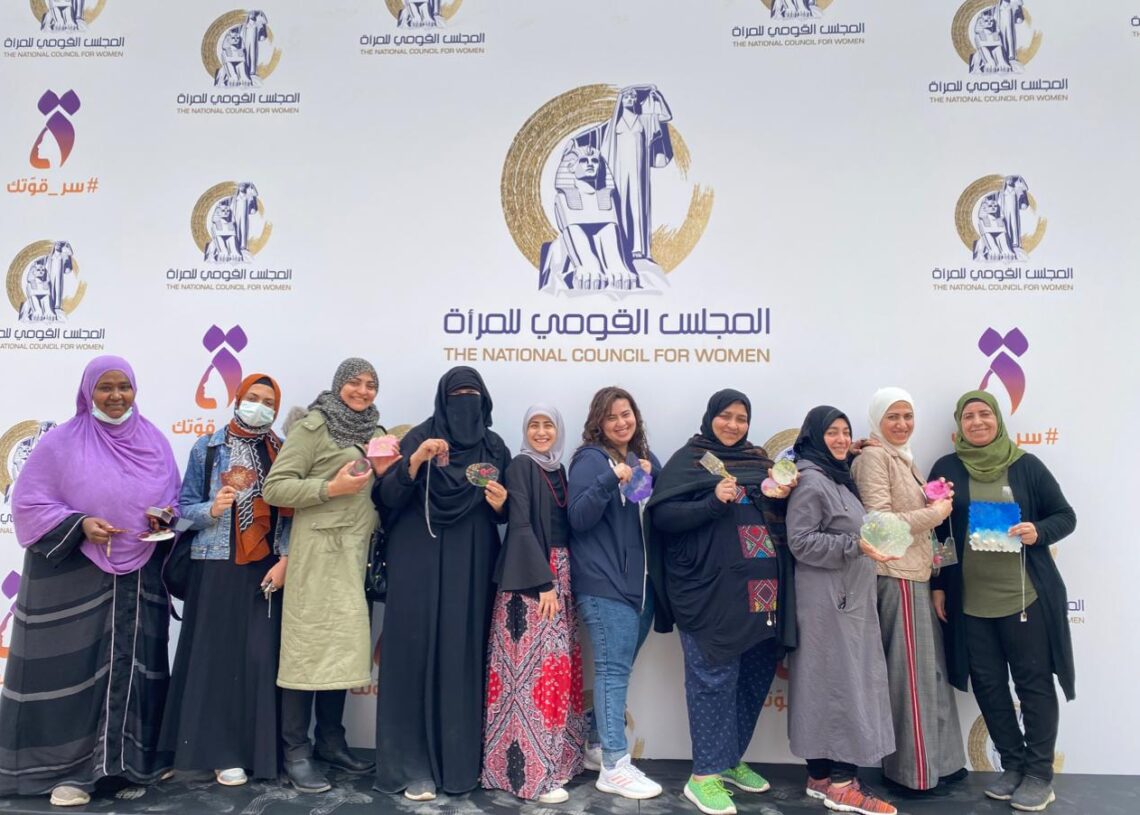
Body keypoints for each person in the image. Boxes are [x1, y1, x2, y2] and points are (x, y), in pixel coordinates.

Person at [0, 356, 181, 807]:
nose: (116, 396)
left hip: (139, 576)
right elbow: (28, 504)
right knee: (73, 672)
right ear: (88, 392)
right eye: (106, 387)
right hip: (76, 575)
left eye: (124, 386)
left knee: (133, 668)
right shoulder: (60, 443)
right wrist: (80, 524)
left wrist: (165, 518)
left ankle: (129, 765)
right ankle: (68, 773)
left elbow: (173, 500)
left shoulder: (154, 441)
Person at [648, 390, 796, 815]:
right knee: (713, 678)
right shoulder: (689, 461)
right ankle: (703, 777)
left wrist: (783, 492)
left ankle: (728, 759)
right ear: (710, 416)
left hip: (763, 596)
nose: (733, 425)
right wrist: (712, 502)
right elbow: (663, 518)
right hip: (711, 594)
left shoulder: (758, 461)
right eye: (725, 416)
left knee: (754, 676)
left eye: (741, 418)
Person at [929, 391, 1075, 812]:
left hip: (1024, 598)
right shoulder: (946, 468)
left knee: (1033, 685)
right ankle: (1012, 766)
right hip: (970, 604)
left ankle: (1039, 775)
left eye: (984, 414)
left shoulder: (1026, 466)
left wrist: (1038, 531)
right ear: (959, 425)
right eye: (969, 416)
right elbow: (939, 534)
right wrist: (940, 584)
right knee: (990, 687)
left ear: (997, 419)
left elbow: (1065, 516)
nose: (977, 422)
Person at [374, 367, 510, 801]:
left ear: (484, 401)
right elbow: (386, 499)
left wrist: (502, 505)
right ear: (442, 399)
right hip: (418, 554)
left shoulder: (495, 447)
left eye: (472, 394)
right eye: (457, 394)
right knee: (413, 652)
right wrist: (414, 461)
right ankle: (411, 766)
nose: (465, 402)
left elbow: (508, 512)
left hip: (472, 559)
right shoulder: (420, 437)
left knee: (461, 652)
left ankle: (460, 765)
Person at [262, 358, 395, 793]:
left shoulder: (376, 433)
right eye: (354, 382)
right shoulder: (313, 427)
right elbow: (275, 487)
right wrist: (329, 489)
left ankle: (331, 742)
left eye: (371, 384)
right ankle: (296, 752)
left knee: (342, 652)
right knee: (306, 653)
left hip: (356, 558)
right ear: (338, 385)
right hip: (317, 558)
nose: (362, 391)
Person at [159, 374, 292, 786]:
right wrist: (212, 510)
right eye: (253, 397)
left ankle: (254, 752)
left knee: (258, 658)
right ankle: (216, 752)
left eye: (269, 402)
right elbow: (182, 511)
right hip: (215, 564)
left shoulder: (282, 451)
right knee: (214, 656)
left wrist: (286, 559)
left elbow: (292, 513)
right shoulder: (209, 447)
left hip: (263, 567)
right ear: (237, 399)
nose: (260, 406)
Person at [850, 388, 966, 796]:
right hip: (894, 574)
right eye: (892, 417)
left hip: (916, 575)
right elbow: (878, 522)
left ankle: (942, 762)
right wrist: (934, 512)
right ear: (877, 420)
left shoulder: (903, 458)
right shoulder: (874, 457)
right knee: (909, 679)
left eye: (907, 416)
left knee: (928, 675)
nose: (902, 424)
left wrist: (934, 499)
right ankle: (912, 773)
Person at [785, 406, 898, 815]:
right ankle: (842, 785)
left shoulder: (833, 475)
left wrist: (852, 451)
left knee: (825, 683)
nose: (839, 439)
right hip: (831, 602)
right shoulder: (813, 481)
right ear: (813, 436)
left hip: (842, 599)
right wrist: (855, 546)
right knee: (844, 686)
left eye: (844, 431)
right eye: (831, 432)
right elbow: (801, 542)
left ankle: (820, 777)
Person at [481, 405, 585, 804]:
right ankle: (529, 775)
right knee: (529, 680)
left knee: (556, 672)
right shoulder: (521, 465)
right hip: (530, 582)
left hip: (560, 574)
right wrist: (544, 583)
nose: (541, 432)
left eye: (548, 425)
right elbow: (520, 524)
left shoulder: (559, 469)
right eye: (534, 425)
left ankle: (558, 762)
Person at [567, 386, 662, 800]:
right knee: (611, 672)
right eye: (611, 417)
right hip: (606, 585)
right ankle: (615, 765)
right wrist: (610, 478)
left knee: (616, 671)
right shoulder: (590, 460)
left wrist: (651, 471)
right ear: (598, 423)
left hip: (640, 587)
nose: (621, 422)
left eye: (626, 414)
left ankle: (595, 744)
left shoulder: (642, 458)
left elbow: (660, 504)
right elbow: (577, 517)